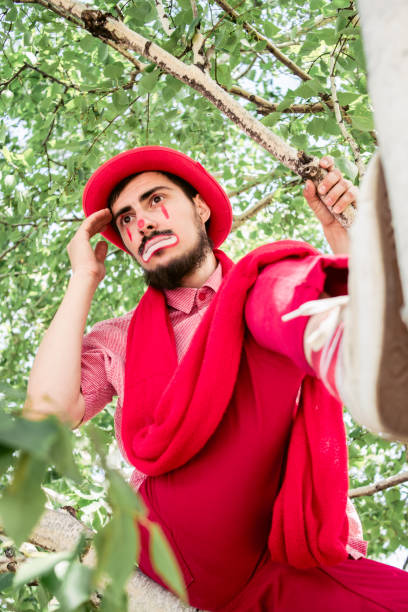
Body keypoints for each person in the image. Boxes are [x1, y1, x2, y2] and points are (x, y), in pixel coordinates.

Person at [25, 146, 408, 611]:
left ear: (201, 207)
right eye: (124, 219)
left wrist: (344, 237)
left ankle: (339, 339)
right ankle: (337, 339)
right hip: (183, 544)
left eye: (154, 200)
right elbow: (47, 414)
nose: (139, 223)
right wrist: (83, 276)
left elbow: (383, 311)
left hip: (295, 549)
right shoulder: (119, 338)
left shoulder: (266, 291)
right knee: (261, 275)